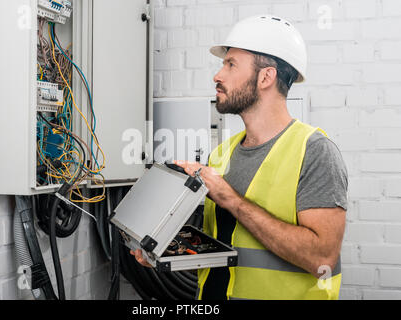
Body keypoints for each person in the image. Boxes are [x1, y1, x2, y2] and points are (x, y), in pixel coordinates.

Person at [132, 14, 348, 300]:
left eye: (231, 64)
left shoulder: (315, 151)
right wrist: (163, 247)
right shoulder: (223, 152)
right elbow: (224, 241)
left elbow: (322, 257)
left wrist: (230, 198)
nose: (218, 75)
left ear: (265, 77)